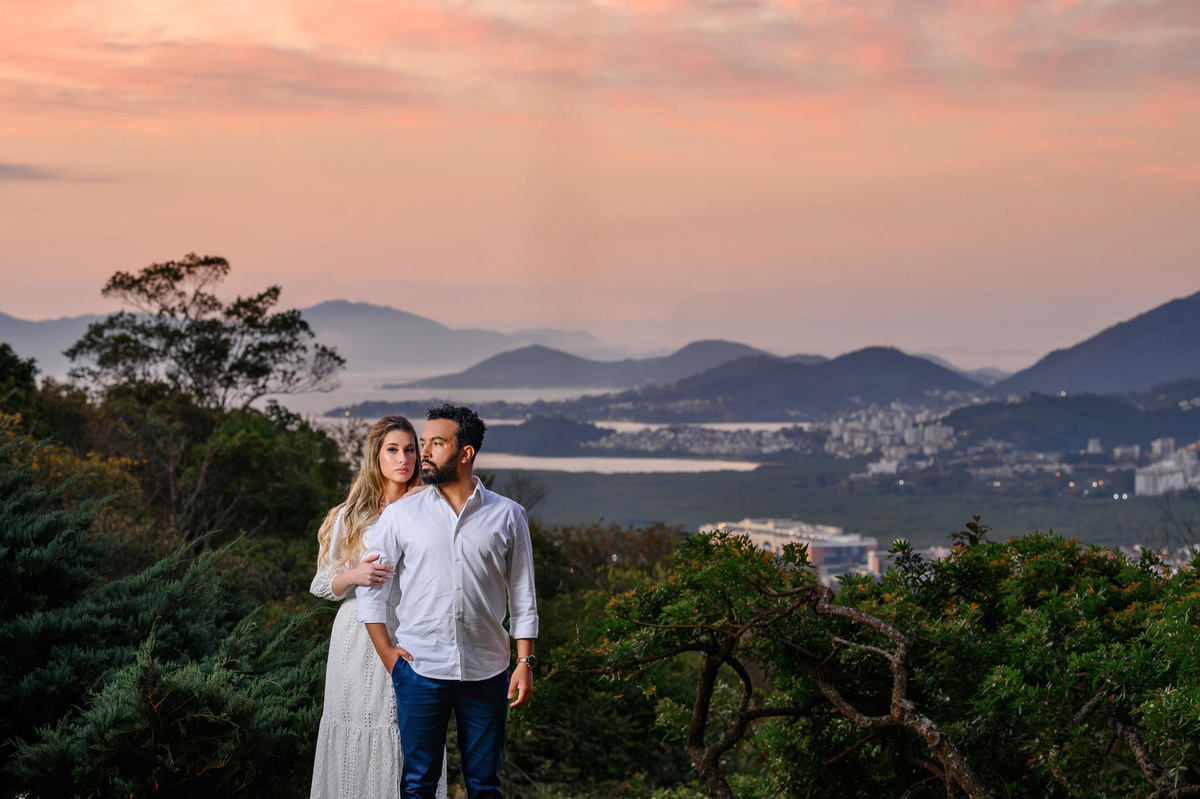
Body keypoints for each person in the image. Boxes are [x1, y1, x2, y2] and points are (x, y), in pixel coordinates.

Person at [357, 404, 538, 799]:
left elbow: (524, 596)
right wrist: (390, 658)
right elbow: (371, 594)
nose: (424, 452)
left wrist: (524, 663)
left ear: (465, 453)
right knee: (418, 783)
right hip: (420, 670)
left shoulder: (508, 515)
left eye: (436, 443)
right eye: (424, 443)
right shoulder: (400, 516)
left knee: (485, 785)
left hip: (488, 672)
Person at [309, 415, 447, 799]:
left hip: (409, 631)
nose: (403, 458)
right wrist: (354, 575)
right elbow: (322, 583)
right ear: (376, 456)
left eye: (410, 450)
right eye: (393, 450)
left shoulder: (429, 505)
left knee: (406, 728)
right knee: (355, 725)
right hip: (355, 637)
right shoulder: (351, 514)